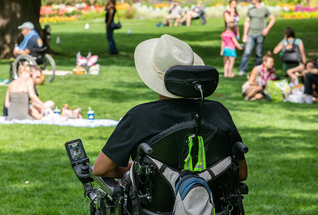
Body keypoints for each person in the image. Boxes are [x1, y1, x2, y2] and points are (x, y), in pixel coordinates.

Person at [92, 34, 247, 182]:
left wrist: (137, 168)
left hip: (153, 208)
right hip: (211, 205)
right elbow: (241, 173)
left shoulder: (139, 117)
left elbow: (101, 169)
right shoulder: (218, 112)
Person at [238, 0, 275, 75]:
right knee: (247, 52)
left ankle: (257, 70)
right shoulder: (250, 10)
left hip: (260, 34)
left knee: (259, 54)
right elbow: (247, 22)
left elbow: (273, 19)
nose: (251, 0)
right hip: (250, 34)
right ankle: (242, 70)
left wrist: (267, 29)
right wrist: (245, 34)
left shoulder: (264, 9)